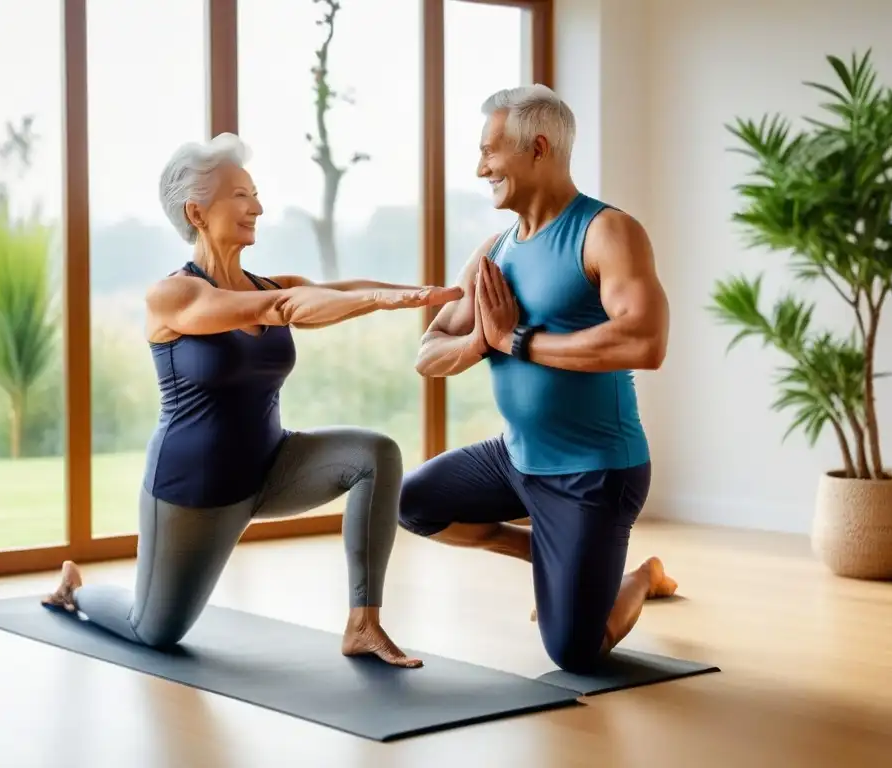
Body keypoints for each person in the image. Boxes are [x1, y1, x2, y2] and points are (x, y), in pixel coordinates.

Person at [42, 132, 461, 668]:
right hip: (195, 488)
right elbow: (283, 308)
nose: (257, 207)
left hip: (270, 466)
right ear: (197, 211)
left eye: (255, 194)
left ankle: (363, 624)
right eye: (241, 195)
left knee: (375, 454)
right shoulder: (174, 296)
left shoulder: (267, 282)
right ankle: (75, 591)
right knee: (152, 630)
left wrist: (426, 294)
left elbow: (328, 293)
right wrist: (384, 299)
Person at [399, 85, 677, 673]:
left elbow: (644, 342)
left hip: (594, 470)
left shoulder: (606, 231)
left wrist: (515, 341)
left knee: (574, 653)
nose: (480, 168)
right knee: (415, 503)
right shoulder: (494, 252)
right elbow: (428, 354)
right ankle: (548, 554)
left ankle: (640, 579)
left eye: (489, 152)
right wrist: (480, 340)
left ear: (538, 148)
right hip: (516, 458)